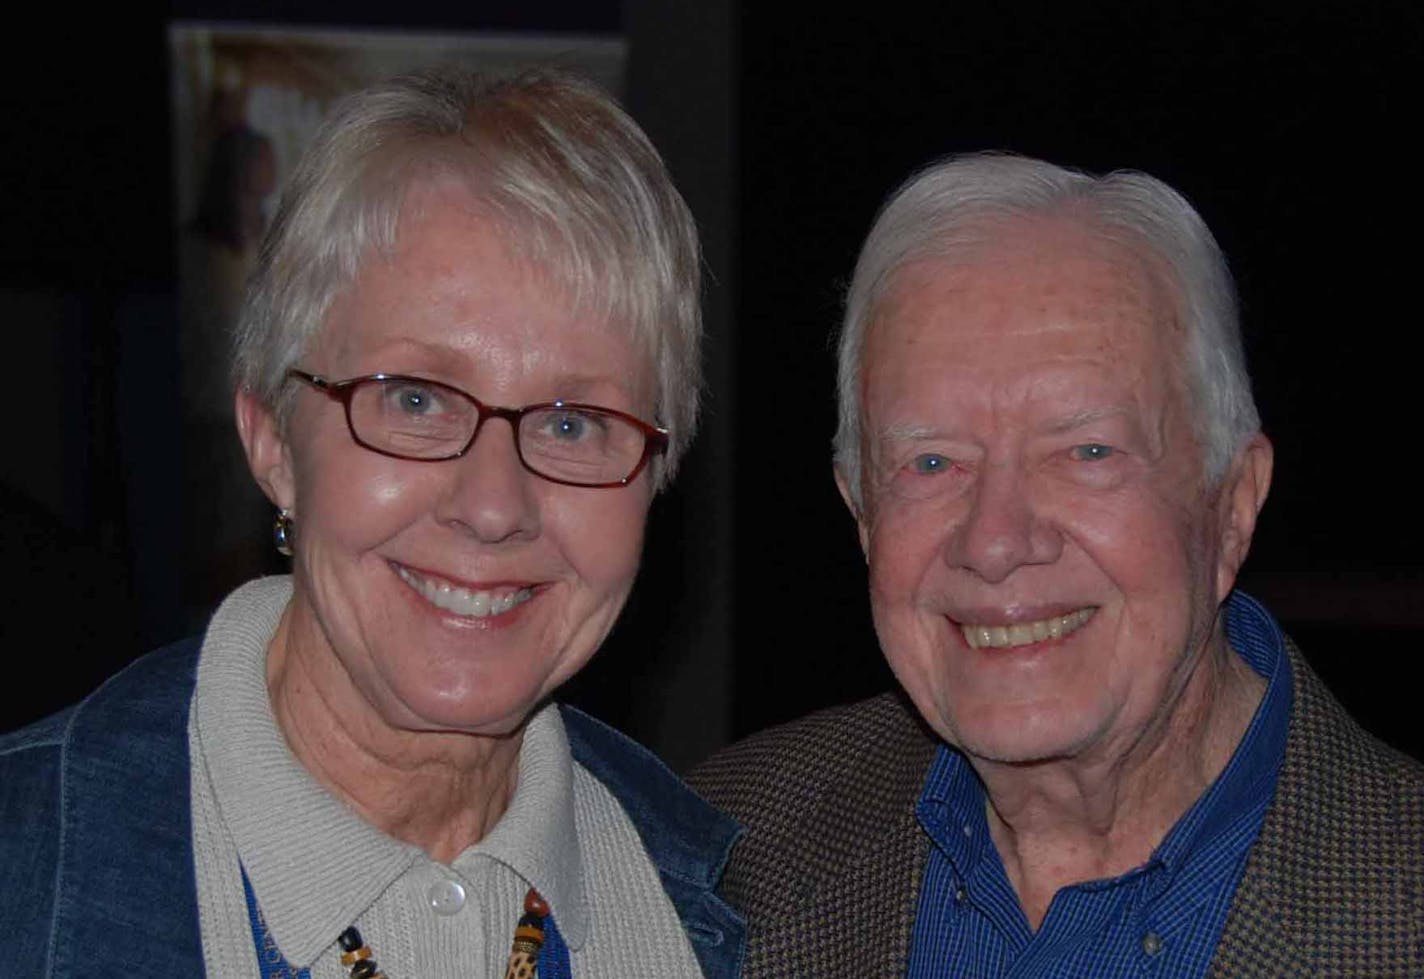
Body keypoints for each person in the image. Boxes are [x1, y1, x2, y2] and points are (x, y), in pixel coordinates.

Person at [1, 69, 742, 978]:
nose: (492, 505)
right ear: (272, 439)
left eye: (571, 423)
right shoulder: (23, 870)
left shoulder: (741, 906)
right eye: (418, 400)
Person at [689, 153, 1424, 977]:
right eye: (932, 463)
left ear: (1233, 505)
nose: (996, 541)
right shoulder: (714, 850)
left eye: (1087, 450)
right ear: (861, 512)